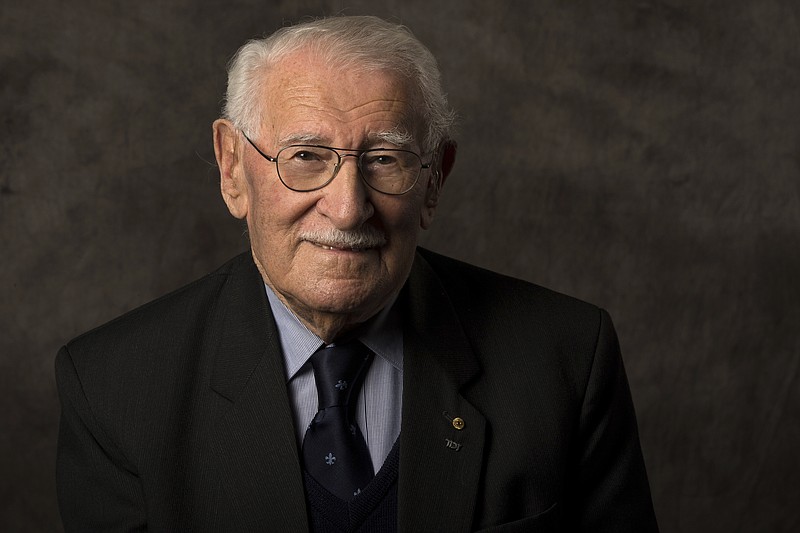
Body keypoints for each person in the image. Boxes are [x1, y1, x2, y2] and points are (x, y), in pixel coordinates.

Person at [55, 15, 658, 532]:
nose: (347, 208)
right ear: (232, 168)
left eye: (384, 159)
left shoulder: (565, 360)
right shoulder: (115, 388)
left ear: (435, 180)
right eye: (306, 157)